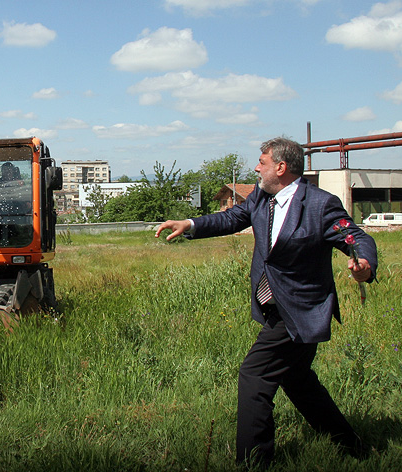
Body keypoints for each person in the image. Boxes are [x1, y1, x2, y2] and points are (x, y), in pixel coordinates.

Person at [155, 137, 376, 467]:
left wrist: (364, 264)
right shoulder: (262, 197)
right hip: (273, 307)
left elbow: (355, 236)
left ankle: (253, 461)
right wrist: (191, 224)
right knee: (298, 380)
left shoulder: (320, 204)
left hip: (300, 310)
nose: (256, 168)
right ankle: (351, 445)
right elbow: (233, 218)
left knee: (254, 375)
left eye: (262, 162)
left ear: (281, 168)